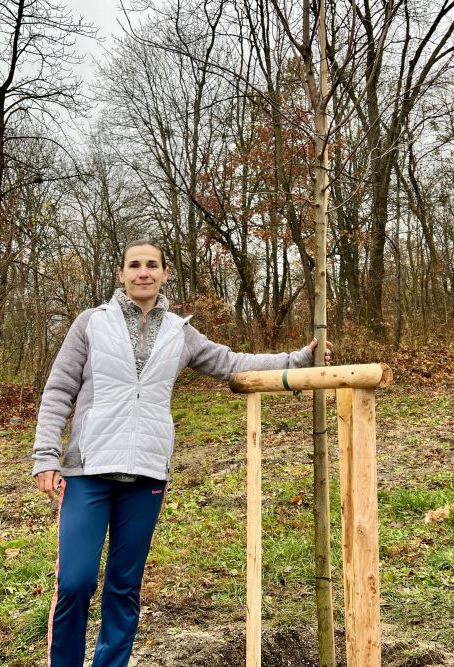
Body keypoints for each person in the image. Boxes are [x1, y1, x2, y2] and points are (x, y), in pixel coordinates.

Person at [32, 239, 332, 667]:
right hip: (88, 470)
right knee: (76, 582)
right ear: (120, 274)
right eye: (134, 265)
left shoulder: (180, 331)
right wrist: (45, 456)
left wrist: (297, 360)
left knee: (124, 586)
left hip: (147, 474)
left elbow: (232, 362)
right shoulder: (90, 324)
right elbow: (59, 390)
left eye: (152, 265)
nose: (143, 272)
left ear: (165, 273)